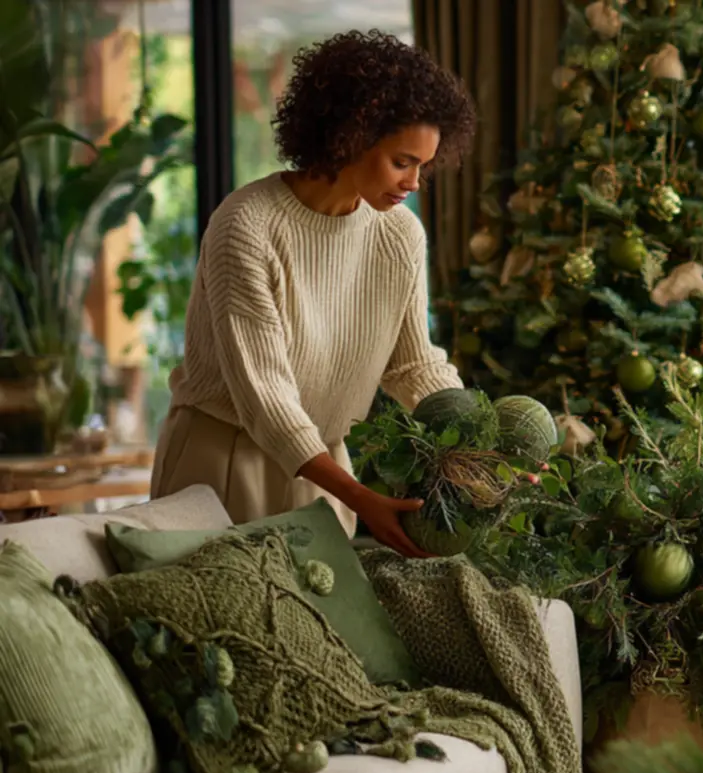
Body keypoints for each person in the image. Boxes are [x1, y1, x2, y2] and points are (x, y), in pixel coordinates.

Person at [152, 30, 477, 558]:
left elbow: (413, 366)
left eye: (424, 165)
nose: (415, 182)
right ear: (350, 137)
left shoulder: (399, 235)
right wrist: (361, 497)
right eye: (402, 161)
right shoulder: (247, 226)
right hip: (223, 463)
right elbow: (268, 401)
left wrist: (484, 444)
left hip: (324, 465)